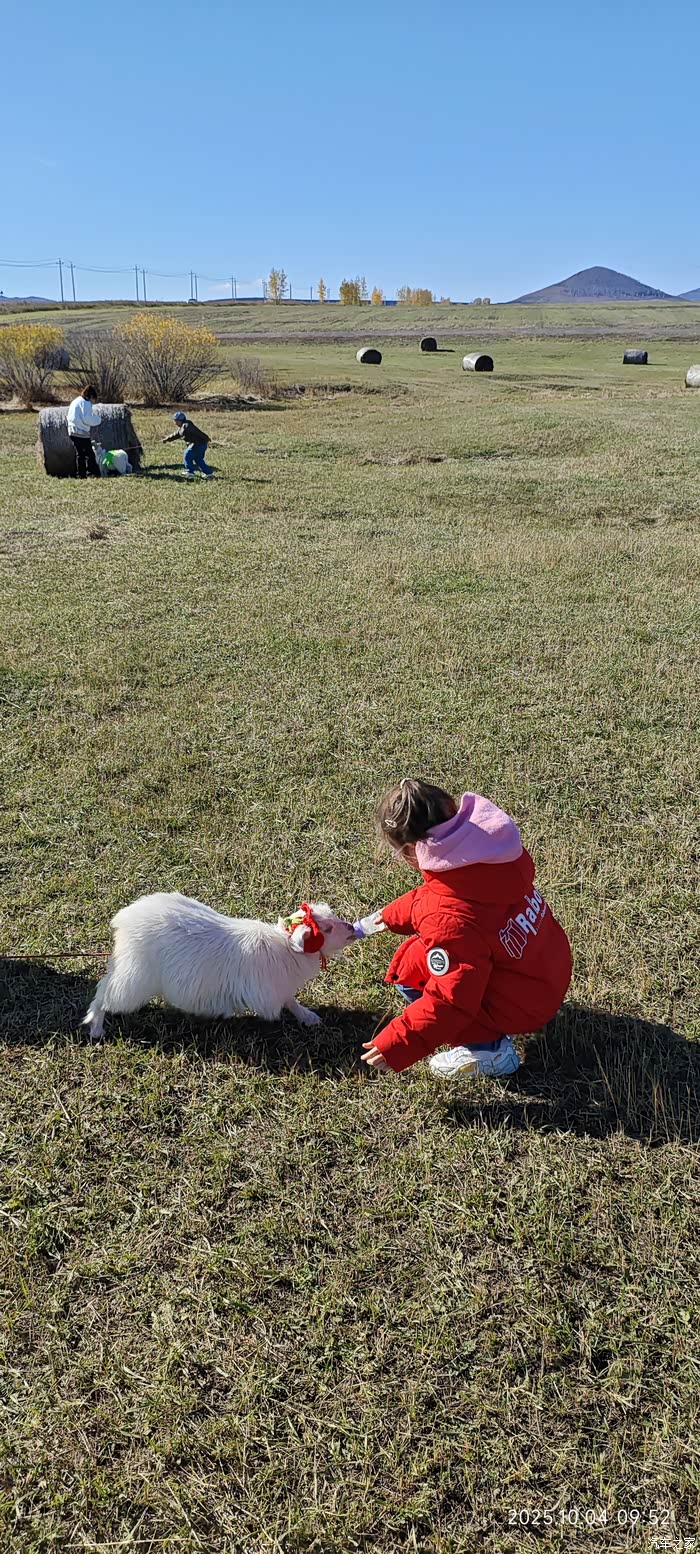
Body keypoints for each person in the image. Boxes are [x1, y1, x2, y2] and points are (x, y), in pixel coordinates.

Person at [359, 779, 572, 1080]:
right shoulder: (492, 857)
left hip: (526, 1005)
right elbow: (431, 899)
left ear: (410, 850)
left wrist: (398, 1042)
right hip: (548, 971)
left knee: (412, 971)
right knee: (420, 957)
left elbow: (450, 1000)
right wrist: (379, 920)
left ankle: (490, 1051)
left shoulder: (449, 918)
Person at [163, 412, 214, 480]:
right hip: (202, 444)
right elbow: (177, 434)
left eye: (176, 420)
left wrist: (206, 437)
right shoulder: (183, 427)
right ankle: (208, 473)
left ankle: (189, 472)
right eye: (174, 420)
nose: (175, 422)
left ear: (181, 420)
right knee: (198, 459)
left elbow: (197, 432)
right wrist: (167, 439)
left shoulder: (187, 426)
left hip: (197, 444)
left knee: (187, 455)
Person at [67, 384, 101, 479]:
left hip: (72, 431)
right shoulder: (85, 403)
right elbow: (87, 419)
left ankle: (81, 475)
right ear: (91, 396)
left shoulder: (76, 401)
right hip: (81, 432)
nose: (93, 402)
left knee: (80, 454)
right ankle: (92, 473)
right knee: (90, 454)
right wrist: (98, 419)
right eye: (93, 399)